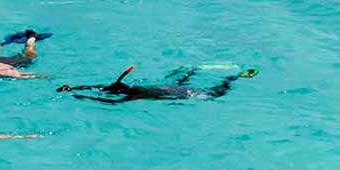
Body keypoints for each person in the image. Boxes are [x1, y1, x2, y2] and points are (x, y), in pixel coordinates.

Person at [57, 65, 257, 104]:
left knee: (217, 94)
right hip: (171, 88)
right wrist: (73, 88)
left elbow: (109, 102)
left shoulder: (136, 95)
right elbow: (100, 87)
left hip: (187, 94)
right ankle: (193, 69)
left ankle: (237, 77)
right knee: (179, 79)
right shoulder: (133, 89)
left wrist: (81, 95)